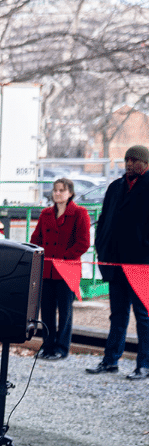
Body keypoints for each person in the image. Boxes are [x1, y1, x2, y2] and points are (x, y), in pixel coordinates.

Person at [87, 145, 149, 378]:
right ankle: (110, 360)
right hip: (114, 262)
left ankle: (144, 364)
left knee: (143, 316)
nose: (130, 164)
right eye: (127, 160)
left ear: (145, 163)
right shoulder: (116, 187)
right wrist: (101, 246)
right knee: (118, 314)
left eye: (135, 160)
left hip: (141, 264)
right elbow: (103, 220)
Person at [29, 178, 91, 361]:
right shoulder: (46, 214)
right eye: (55, 190)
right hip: (47, 269)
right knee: (46, 309)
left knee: (65, 311)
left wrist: (64, 258)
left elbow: (83, 243)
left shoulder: (80, 213)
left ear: (70, 193)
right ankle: (47, 345)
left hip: (67, 269)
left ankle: (62, 348)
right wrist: (40, 256)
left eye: (62, 190)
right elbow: (36, 238)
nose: (57, 193)